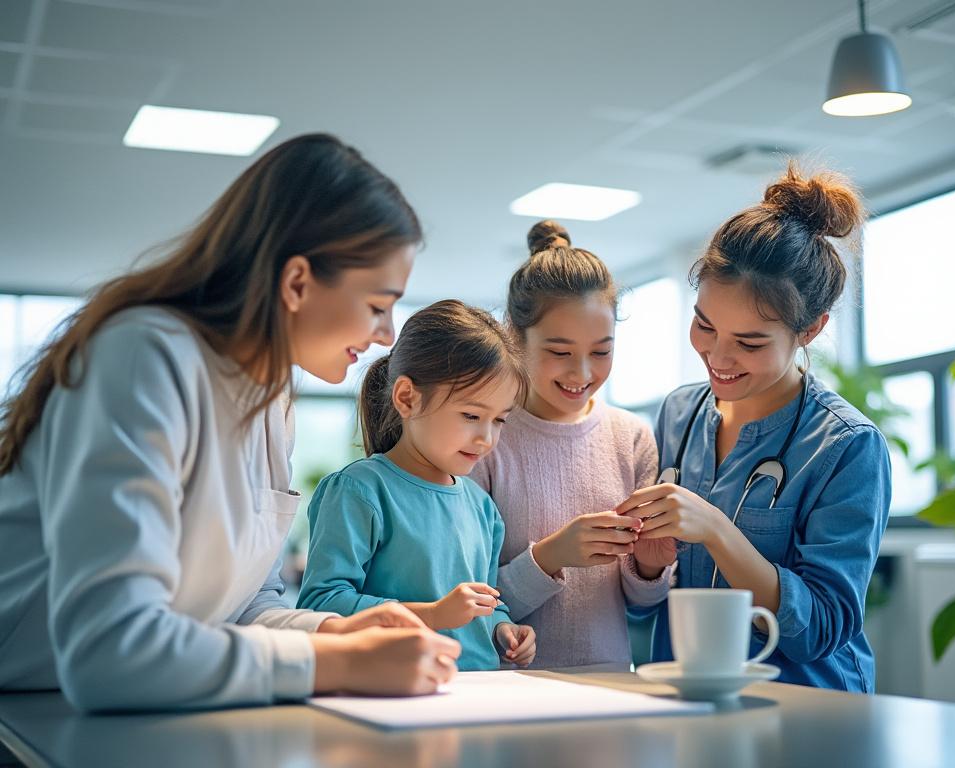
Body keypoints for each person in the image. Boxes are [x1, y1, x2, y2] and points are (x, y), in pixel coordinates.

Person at [0, 133, 461, 712]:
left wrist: (336, 633)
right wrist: (338, 663)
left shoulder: (272, 398)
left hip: (135, 711)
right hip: (28, 711)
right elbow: (109, 650)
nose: (386, 334)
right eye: (377, 305)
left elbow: (240, 609)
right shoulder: (144, 357)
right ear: (297, 283)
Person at [617, 164, 892, 692]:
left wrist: (717, 530)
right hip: (690, 694)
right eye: (704, 325)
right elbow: (649, 600)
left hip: (809, 705)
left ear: (810, 329)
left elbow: (822, 628)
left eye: (749, 342)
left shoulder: (847, 446)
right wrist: (647, 568)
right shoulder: (680, 413)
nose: (718, 357)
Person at [470, 221, 671, 669]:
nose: (582, 373)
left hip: (610, 683)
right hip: (506, 690)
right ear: (515, 337)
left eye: (601, 352)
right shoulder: (485, 439)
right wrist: (550, 556)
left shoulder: (632, 437)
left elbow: (642, 605)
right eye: (560, 352)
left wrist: (650, 567)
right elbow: (464, 603)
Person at [299, 300, 537, 670]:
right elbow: (321, 605)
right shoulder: (359, 491)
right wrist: (432, 614)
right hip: (393, 688)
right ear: (407, 398)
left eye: (499, 420)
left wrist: (502, 627)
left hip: (480, 690)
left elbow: (485, 604)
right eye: (471, 415)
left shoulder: (482, 508)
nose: (486, 438)